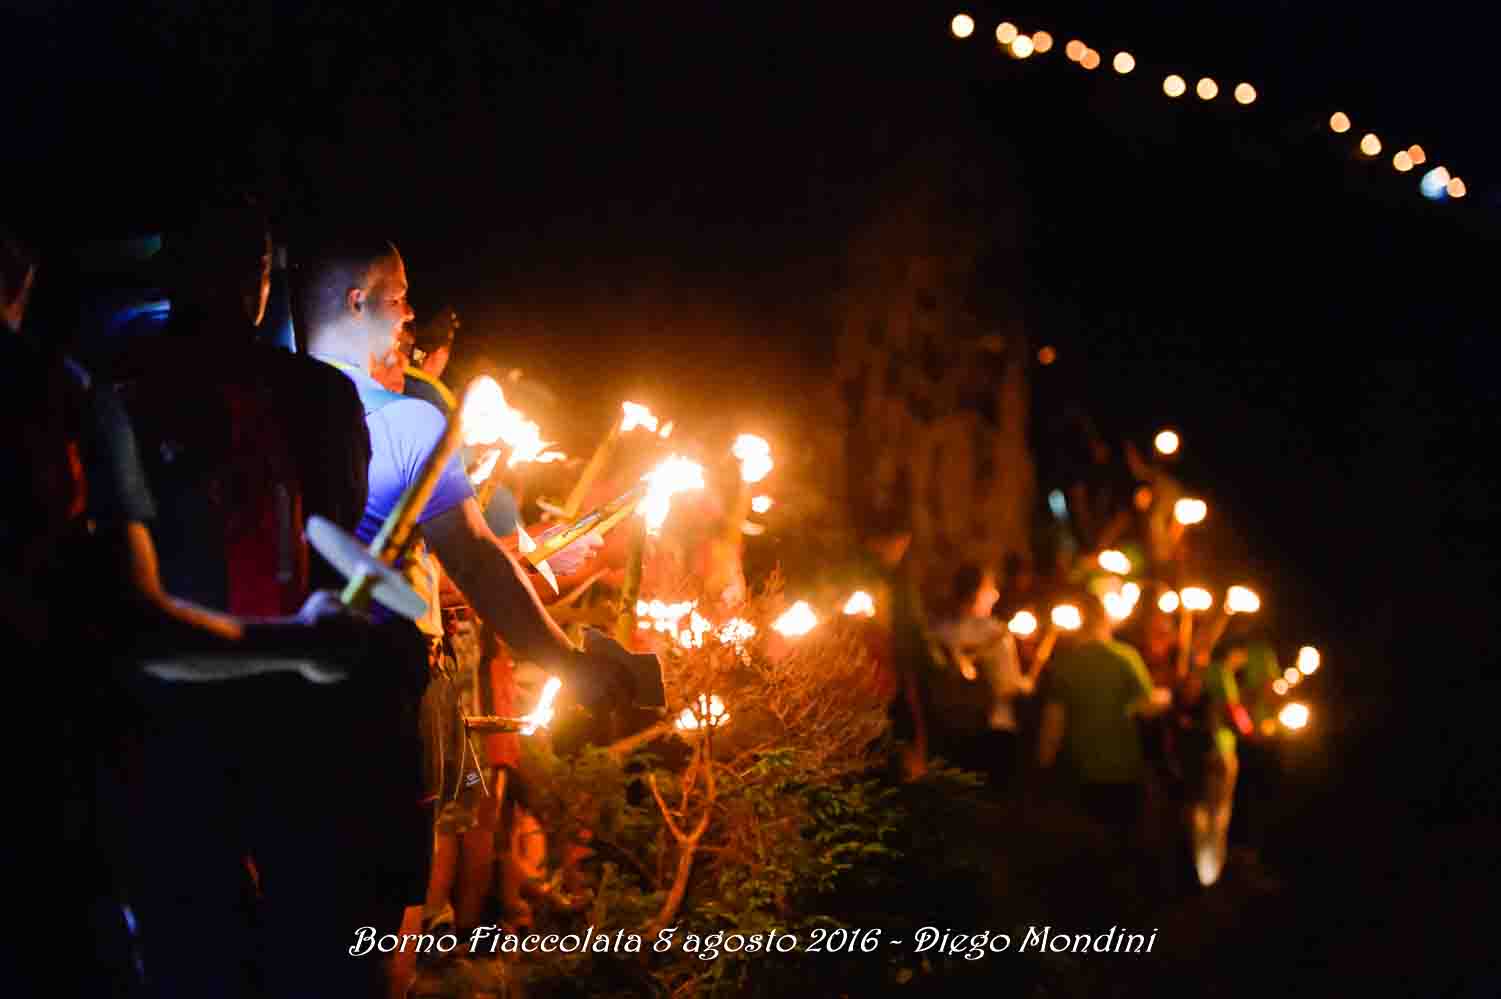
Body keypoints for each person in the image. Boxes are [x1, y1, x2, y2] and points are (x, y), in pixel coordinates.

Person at [299, 234, 663, 995]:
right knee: (382, 928)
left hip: (281, 687)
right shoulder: (402, 422)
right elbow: (472, 555)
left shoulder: (270, 401)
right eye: (399, 296)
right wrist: (564, 657)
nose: (411, 314)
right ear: (355, 302)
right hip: (385, 687)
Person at [1037, 593, 1170, 840]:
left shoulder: (1065, 664)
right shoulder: (1125, 656)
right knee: (1122, 848)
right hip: (1124, 770)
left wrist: (1043, 771)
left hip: (1079, 771)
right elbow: (1148, 706)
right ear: (1105, 621)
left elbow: (1052, 726)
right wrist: (1165, 698)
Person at [930, 564, 1033, 788]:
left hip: (951, 729)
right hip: (994, 728)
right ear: (977, 592)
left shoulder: (939, 631)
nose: (995, 594)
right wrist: (1026, 684)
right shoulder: (997, 633)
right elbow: (1007, 686)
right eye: (991, 588)